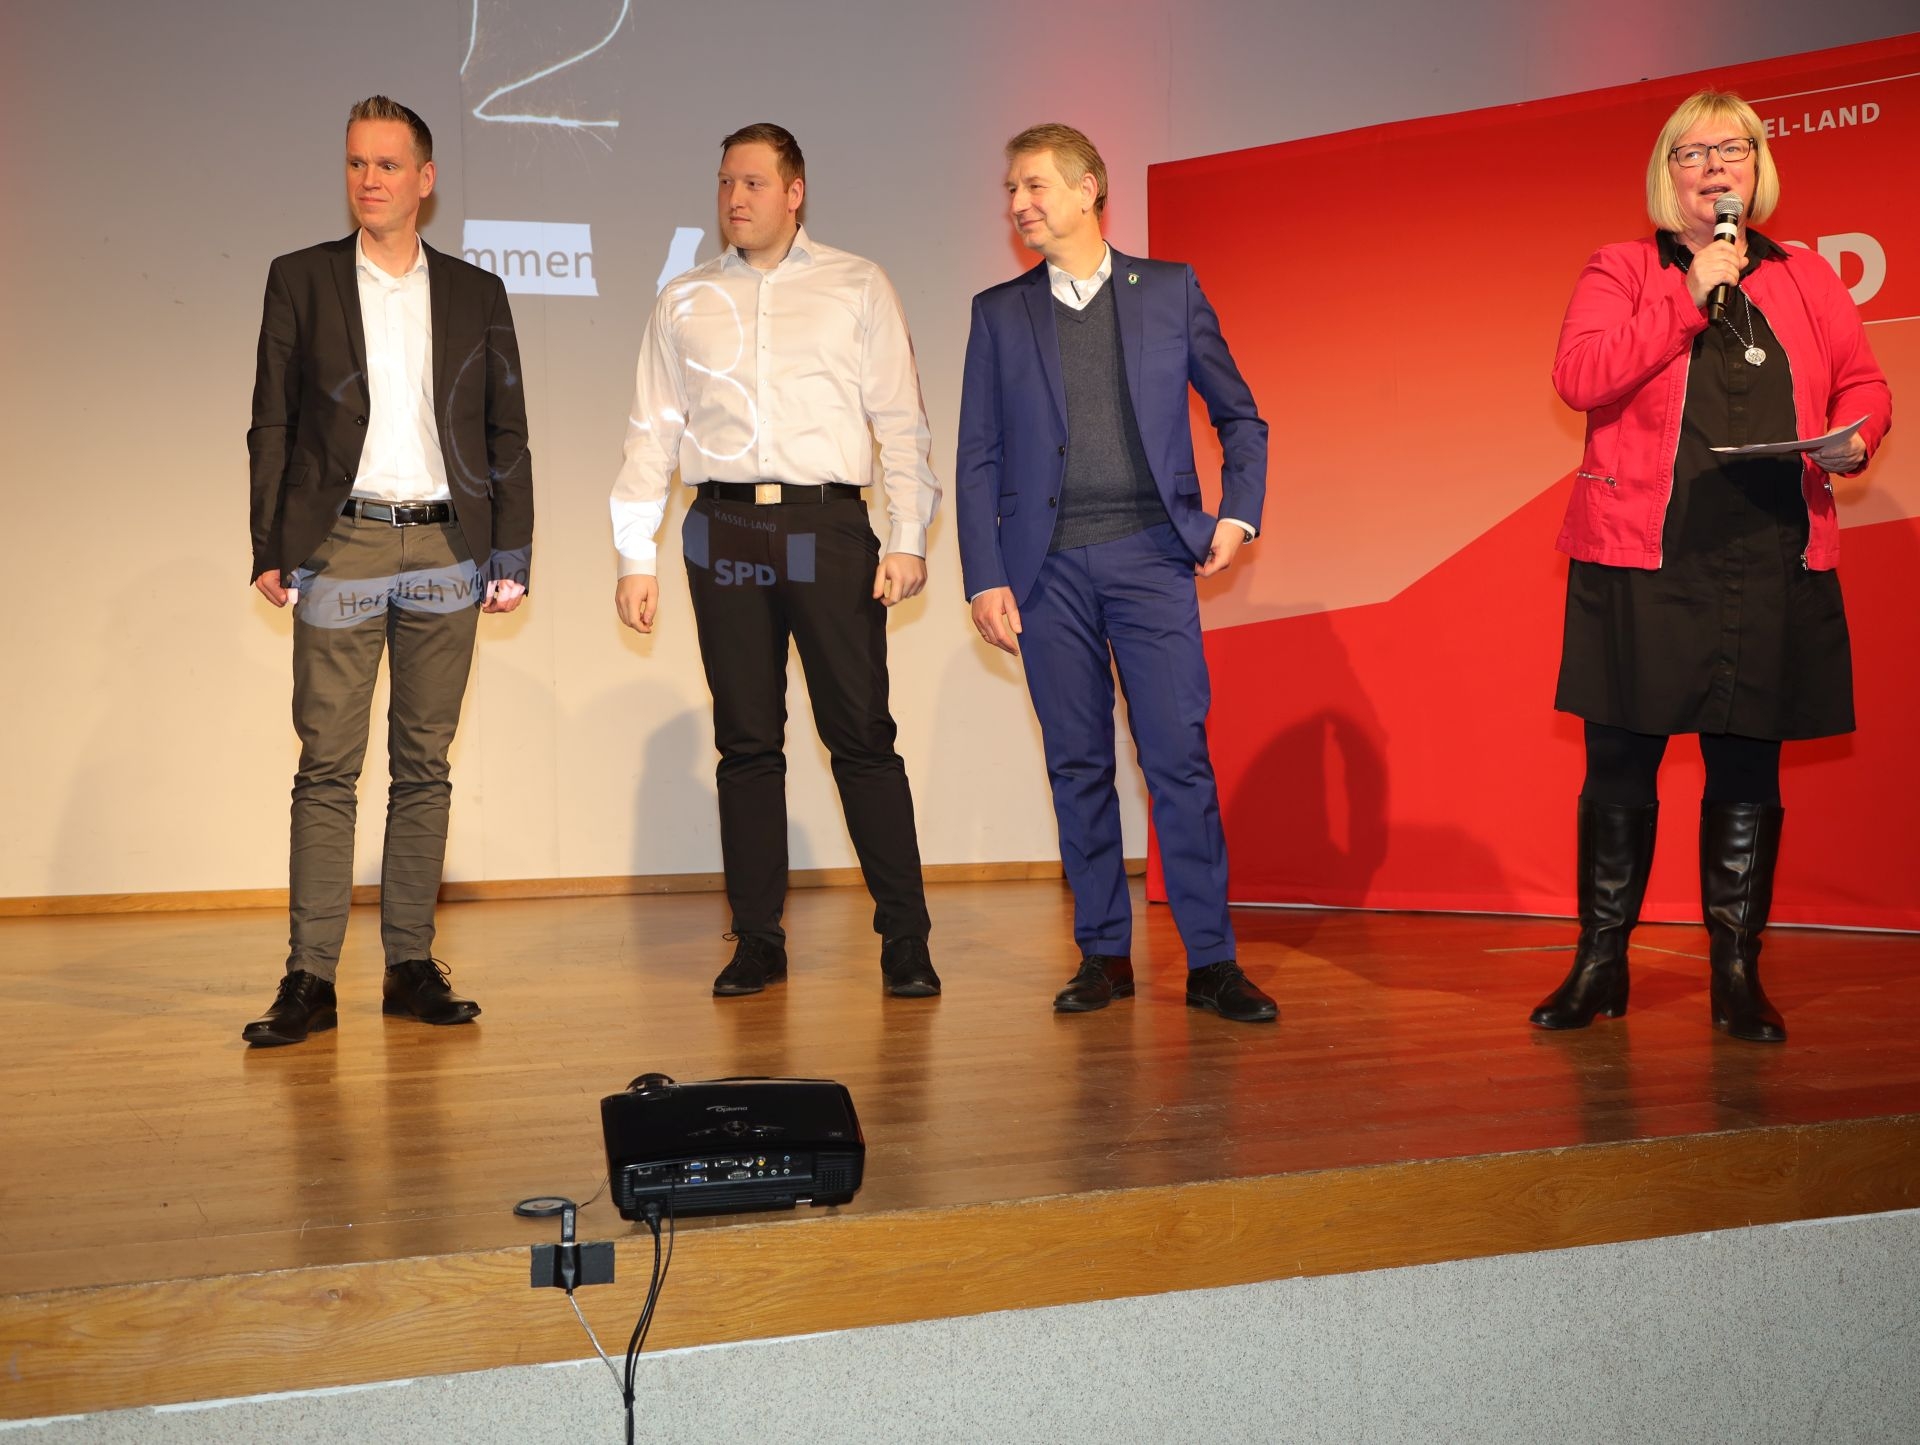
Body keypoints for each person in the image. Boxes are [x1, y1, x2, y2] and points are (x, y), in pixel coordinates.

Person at [1533, 89, 1890, 1043]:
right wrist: (1688, 295)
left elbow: (1862, 380)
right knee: (1620, 758)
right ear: (1668, 175)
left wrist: (1857, 437)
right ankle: (1600, 963)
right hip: (1644, 551)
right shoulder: (1623, 269)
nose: (1714, 167)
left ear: (1758, 167)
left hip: (1767, 547)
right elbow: (1580, 376)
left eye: (1732, 149)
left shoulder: (1807, 275)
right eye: (1692, 153)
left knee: (1747, 762)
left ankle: (1735, 969)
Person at [611, 123, 941, 1000]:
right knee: (746, 742)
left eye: (754, 182)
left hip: (825, 524)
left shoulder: (857, 284)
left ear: (795, 193)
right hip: (721, 527)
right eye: (726, 182)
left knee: (860, 735)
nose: (735, 197)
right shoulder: (682, 298)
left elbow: (900, 421)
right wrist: (634, 553)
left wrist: (907, 536)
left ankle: (905, 937)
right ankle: (757, 939)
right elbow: (651, 432)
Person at [955, 123, 1275, 1023]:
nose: (1019, 204)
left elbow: (1240, 416)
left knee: (1178, 759)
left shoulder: (1170, 290)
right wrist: (984, 575)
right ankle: (1103, 954)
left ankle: (1211, 961)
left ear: (1088, 187)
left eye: (1034, 185)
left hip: (1151, 558)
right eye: (1011, 190)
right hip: (1044, 572)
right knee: (1077, 764)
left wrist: (1238, 512)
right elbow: (977, 454)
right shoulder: (999, 312)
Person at [242, 97, 533, 1046]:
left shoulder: (477, 292)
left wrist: (512, 549)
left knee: (425, 766)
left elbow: (506, 431)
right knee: (327, 765)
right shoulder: (301, 278)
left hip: (449, 546)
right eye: (356, 163)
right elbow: (273, 421)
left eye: (387, 164)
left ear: (425, 179)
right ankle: (310, 977)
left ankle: (410, 964)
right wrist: (271, 542)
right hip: (343, 543)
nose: (369, 179)